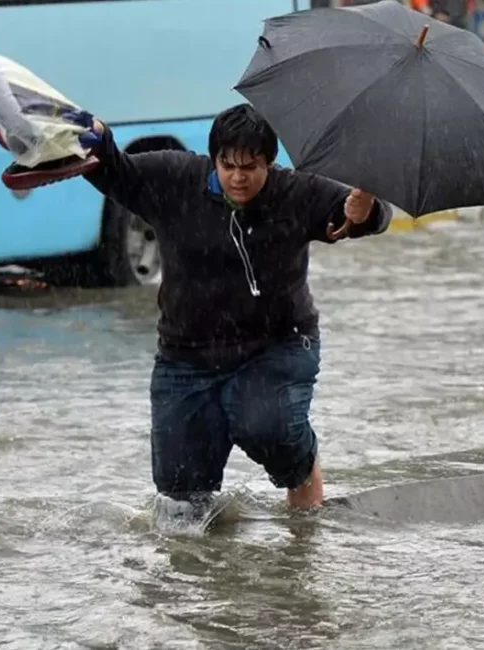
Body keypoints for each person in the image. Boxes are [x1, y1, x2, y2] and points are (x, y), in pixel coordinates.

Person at [76, 104, 393, 514]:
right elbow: (115, 172)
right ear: (214, 159)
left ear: (269, 163)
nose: (238, 178)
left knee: (266, 427)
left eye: (250, 167)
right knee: (180, 496)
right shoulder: (174, 178)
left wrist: (366, 212)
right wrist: (99, 139)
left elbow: (359, 217)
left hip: (276, 346)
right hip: (185, 354)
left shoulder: (296, 192)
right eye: (228, 166)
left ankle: (304, 488)